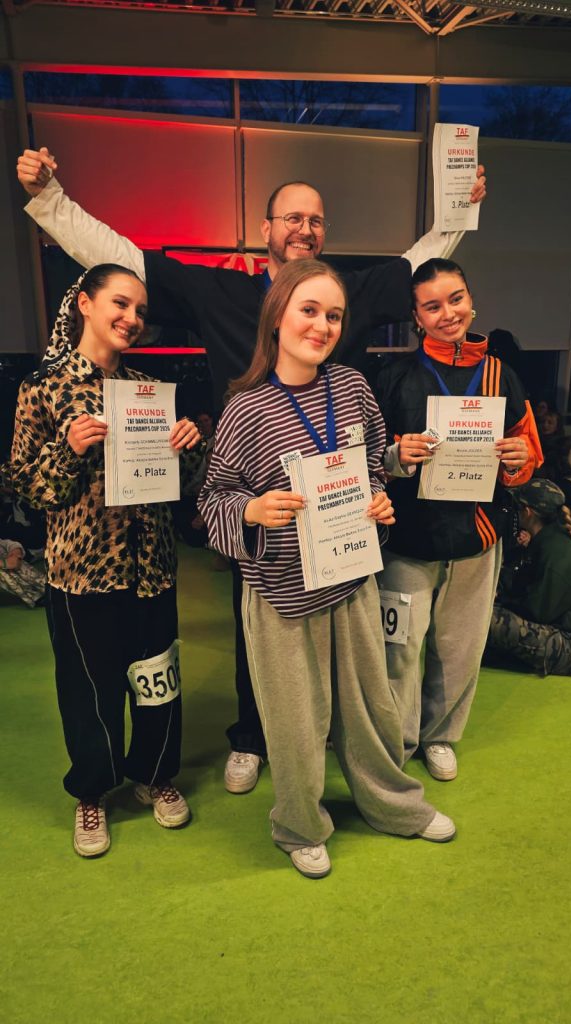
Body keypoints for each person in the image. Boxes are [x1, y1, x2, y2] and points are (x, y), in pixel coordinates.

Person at [16, 147, 486, 796]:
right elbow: (125, 258)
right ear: (265, 230)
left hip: (337, 496)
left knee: (344, 620)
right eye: (291, 217)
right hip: (256, 494)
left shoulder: (341, 292)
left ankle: (335, 733)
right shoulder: (224, 291)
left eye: (315, 220)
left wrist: (459, 207)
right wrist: (51, 200)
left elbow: (416, 265)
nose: (304, 229)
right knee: (256, 621)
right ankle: (253, 737)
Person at [198, 258, 456, 878]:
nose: (321, 326)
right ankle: (299, 824)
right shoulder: (244, 408)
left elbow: (370, 467)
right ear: (277, 316)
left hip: (352, 579)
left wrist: (379, 498)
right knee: (296, 722)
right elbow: (212, 500)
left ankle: (392, 803)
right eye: (309, 310)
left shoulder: (352, 387)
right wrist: (252, 509)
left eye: (333, 315)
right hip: (283, 596)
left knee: (371, 708)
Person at [10, 264, 202, 857]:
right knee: (88, 690)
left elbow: (180, 488)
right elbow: (26, 486)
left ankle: (155, 773)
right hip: (81, 572)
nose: (132, 318)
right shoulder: (43, 387)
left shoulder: (148, 389)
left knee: (157, 679)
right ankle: (92, 791)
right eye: (121, 303)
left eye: (141, 310)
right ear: (86, 304)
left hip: (153, 565)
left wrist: (188, 449)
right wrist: (67, 450)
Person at [377, 257, 543, 781]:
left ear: (472, 302)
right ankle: (399, 739)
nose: (447, 313)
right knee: (400, 649)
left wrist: (519, 461)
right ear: (416, 317)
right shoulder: (394, 377)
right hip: (407, 541)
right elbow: (368, 457)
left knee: (460, 649)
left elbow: (528, 454)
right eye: (432, 306)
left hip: (477, 539)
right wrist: (396, 456)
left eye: (455, 299)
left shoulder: (501, 375)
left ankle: (440, 736)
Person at [486, 479, 571, 676]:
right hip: (560, 631)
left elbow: (537, 612)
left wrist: (501, 603)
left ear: (528, 512)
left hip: (570, 643)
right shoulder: (550, 540)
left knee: (488, 619)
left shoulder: (556, 551)